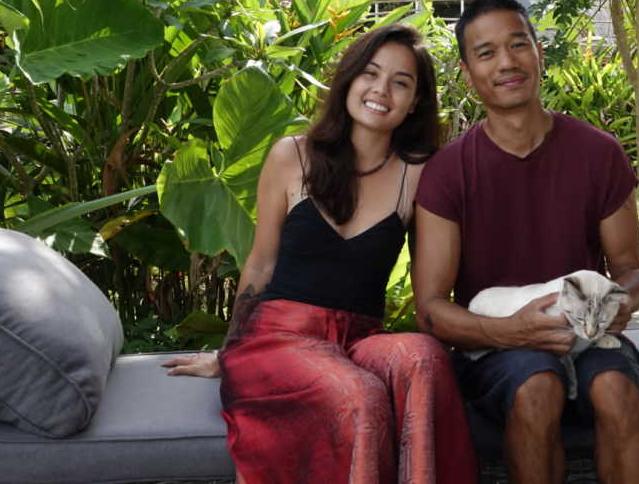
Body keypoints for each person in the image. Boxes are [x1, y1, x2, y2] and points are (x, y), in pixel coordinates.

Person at [163, 24, 477, 484]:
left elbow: (434, 280)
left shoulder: (419, 172)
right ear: (349, 79)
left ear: (415, 101)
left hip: (359, 339)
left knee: (423, 355)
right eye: (370, 73)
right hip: (279, 338)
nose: (381, 90)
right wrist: (230, 353)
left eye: (400, 82)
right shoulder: (292, 155)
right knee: (358, 394)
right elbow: (260, 263)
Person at [412, 0, 639, 484]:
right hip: (495, 349)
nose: (507, 62)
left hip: (587, 335)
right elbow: (431, 309)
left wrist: (620, 302)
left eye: (518, 44)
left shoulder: (598, 153)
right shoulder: (447, 171)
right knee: (536, 387)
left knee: (615, 388)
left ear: (539, 53)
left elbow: (631, 269)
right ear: (468, 73)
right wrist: (511, 333)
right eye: (486, 53)